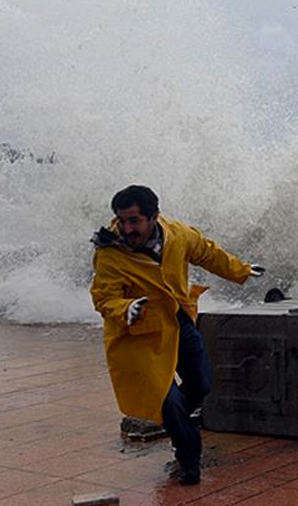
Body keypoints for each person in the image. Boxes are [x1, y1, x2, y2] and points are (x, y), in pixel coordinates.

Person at [89, 185, 264, 485]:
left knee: (201, 383)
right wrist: (125, 307)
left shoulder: (177, 235)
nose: (126, 228)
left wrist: (241, 271)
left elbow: (208, 253)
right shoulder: (110, 254)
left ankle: (175, 422)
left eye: (134, 221)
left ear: (154, 217)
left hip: (178, 320)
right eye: (121, 220)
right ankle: (188, 459)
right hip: (138, 335)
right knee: (167, 401)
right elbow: (104, 297)